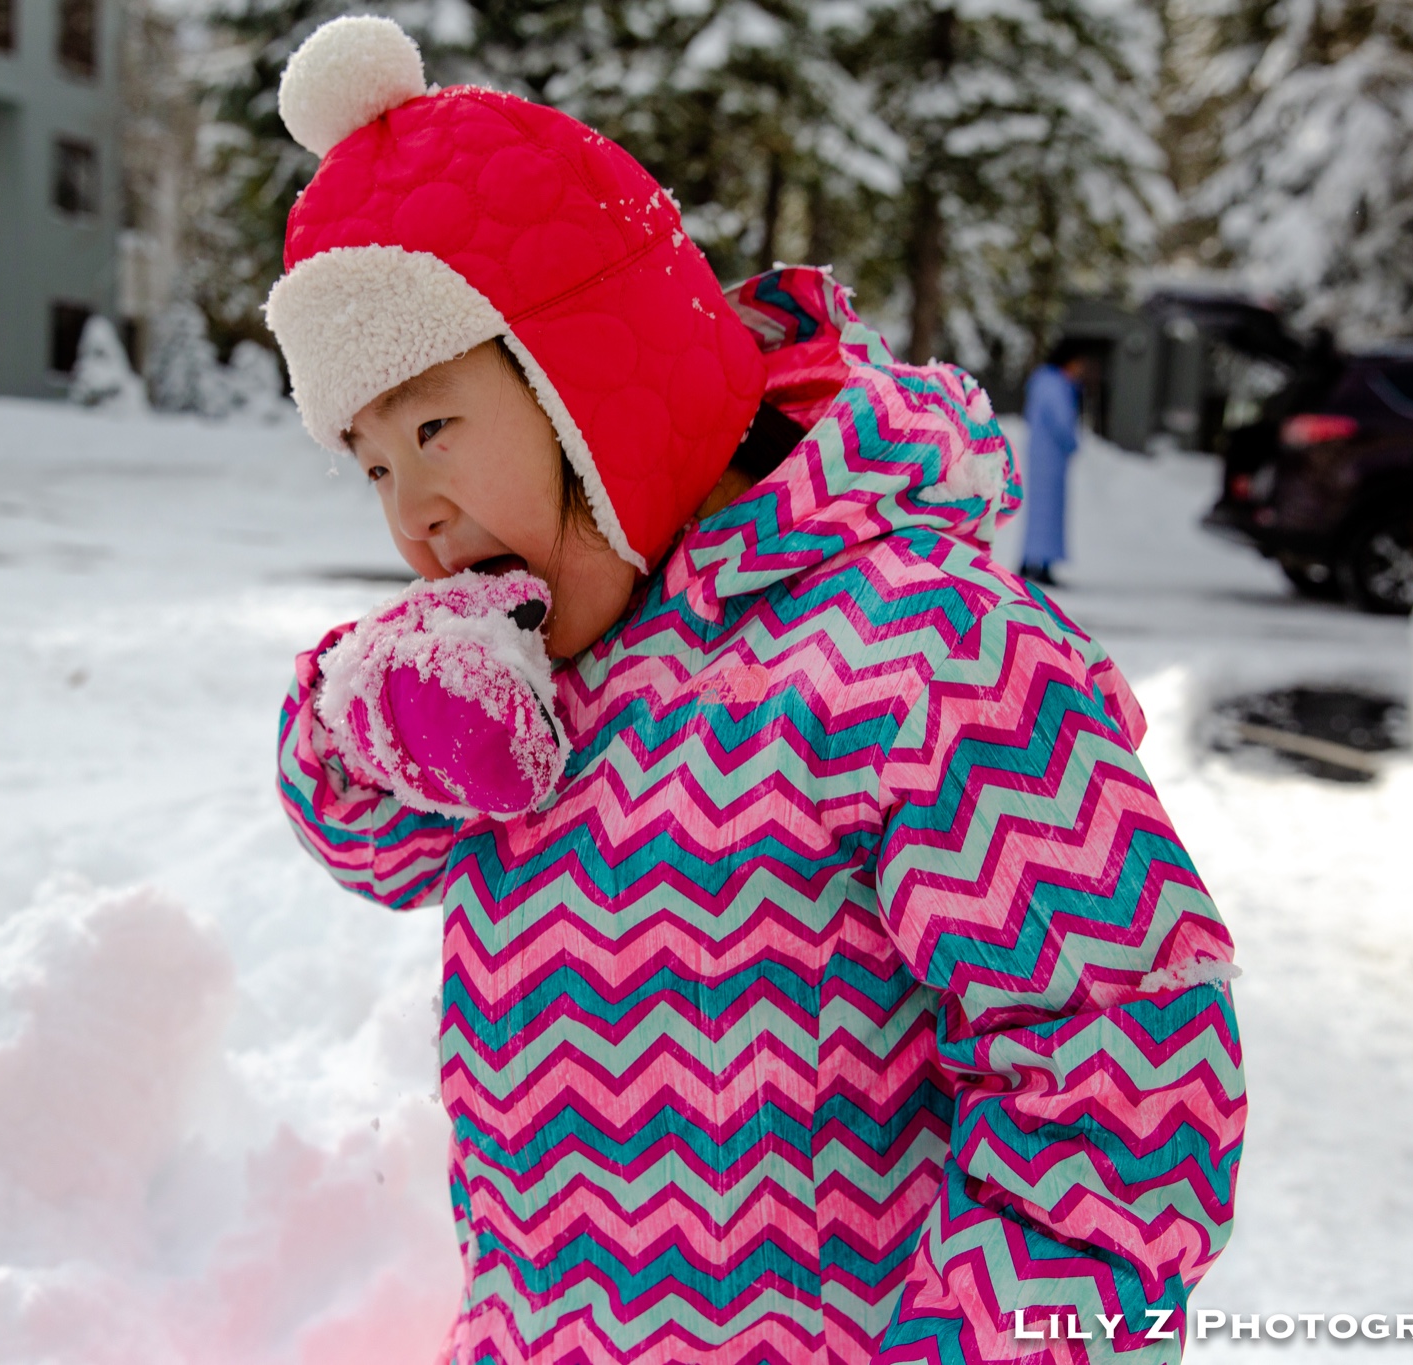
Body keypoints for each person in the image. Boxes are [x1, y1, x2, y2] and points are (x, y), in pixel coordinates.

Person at [267, 18, 1243, 1364]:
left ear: (599, 384)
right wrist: (361, 720)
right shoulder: (545, 669)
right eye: (371, 464)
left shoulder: (932, 658)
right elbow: (377, 844)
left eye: (434, 427)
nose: (415, 514)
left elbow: (1122, 1084)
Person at [1018, 341, 1095, 586]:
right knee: (1048, 512)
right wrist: (1072, 443)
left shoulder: (1042, 381)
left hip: (1040, 454)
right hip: (1051, 456)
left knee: (1038, 512)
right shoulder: (1056, 385)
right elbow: (1062, 420)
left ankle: (1031, 559)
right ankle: (1041, 563)